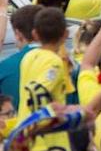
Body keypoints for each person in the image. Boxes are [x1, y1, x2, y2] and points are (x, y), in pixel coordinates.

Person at [16, 8, 73, 151]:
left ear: (35, 34)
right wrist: (52, 119)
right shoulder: (54, 62)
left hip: (23, 135)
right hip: (47, 141)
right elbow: (37, 91)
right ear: (65, 34)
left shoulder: (29, 57)